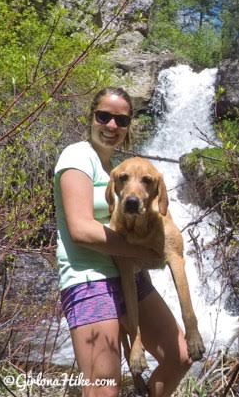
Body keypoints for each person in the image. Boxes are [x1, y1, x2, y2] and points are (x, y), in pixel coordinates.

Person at [54, 87, 193, 397]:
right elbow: (80, 230)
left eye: (121, 120)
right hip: (90, 280)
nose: (112, 126)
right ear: (90, 118)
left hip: (131, 277)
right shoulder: (76, 156)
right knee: (104, 389)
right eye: (103, 116)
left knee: (180, 357)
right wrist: (146, 252)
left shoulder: (120, 171)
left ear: (129, 127)